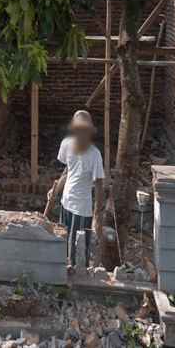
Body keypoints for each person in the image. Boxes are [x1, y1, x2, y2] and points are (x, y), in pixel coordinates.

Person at [47, 110, 105, 267]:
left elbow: (99, 186)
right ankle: (63, 274)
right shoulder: (67, 144)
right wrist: (56, 189)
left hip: (82, 208)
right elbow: (67, 170)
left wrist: (97, 216)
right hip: (66, 201)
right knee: (64, 241)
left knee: (79, 249)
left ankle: (80, 275)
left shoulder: (94, 155)